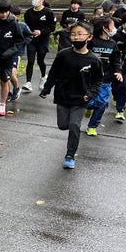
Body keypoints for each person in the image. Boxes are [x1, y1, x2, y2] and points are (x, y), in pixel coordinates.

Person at [39, 21, 103, 169]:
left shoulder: (94, 60)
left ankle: (70, 155)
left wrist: (90, 94)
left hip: (81, 98)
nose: (76, 37)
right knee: (63, 125)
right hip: (62, 96)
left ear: (89, 37)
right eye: (73, 34)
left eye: (80, 34)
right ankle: (73, 126)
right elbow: (53, 73)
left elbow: (98, 80)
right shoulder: (63, 54)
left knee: (74, 125)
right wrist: (46, 89)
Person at [85, 17, 123, 136]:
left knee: (102, 103)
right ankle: (88, 107)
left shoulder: (112, 44)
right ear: (105, 29)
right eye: (112, 26)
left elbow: (116, 60)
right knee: (89, 101)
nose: (114, 29)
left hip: (105, 78)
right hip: (89, 78)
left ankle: (92, 126)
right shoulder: (91, 41)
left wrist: (118, 71)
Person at [22, 0, 56, 93]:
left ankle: (43, 76)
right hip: (31, 40)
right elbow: (26, 26)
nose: (34, 0)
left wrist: (41, 32)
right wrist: (29, 33)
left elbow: (52, 27)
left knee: (40, 61)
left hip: (43, 40)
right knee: (30, 61)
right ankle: (28, 82)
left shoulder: (48, 12)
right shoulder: (28, 12)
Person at [8, 4, 32, 101]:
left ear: (17, 16)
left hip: (16, 54)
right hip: (5, 53)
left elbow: (30, 35)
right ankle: (8, 93)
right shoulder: (5, 25)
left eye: (12, 14)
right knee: (5, 75)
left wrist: (22, 43)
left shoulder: (22, 25)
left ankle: (16, 88)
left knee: (12, 74)